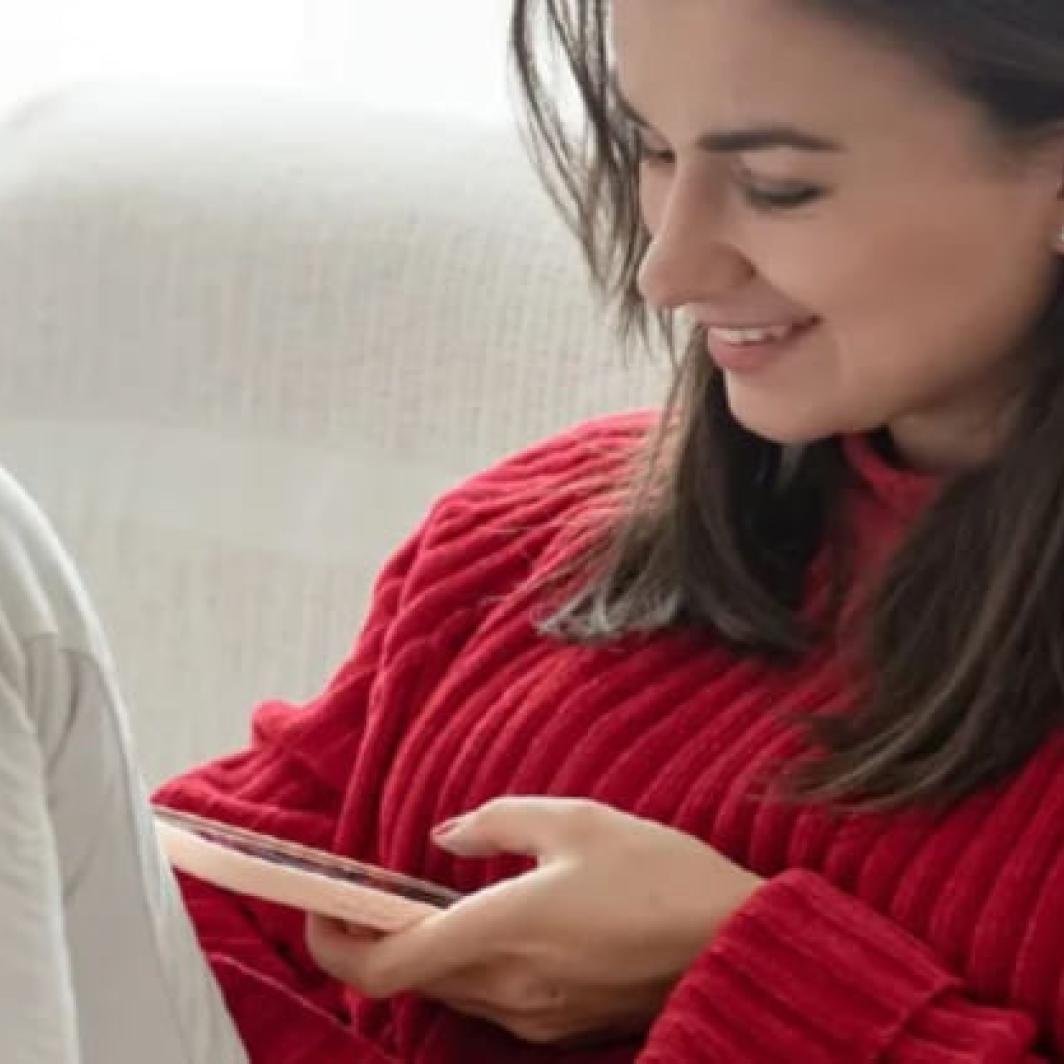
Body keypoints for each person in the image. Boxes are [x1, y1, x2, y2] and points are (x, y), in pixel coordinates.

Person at [10, 0, 1064, 1060]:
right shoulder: (532, 534)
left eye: (775, 185)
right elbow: (184, 905)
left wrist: (736, 961)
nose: (669, 267)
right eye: (650, 149)